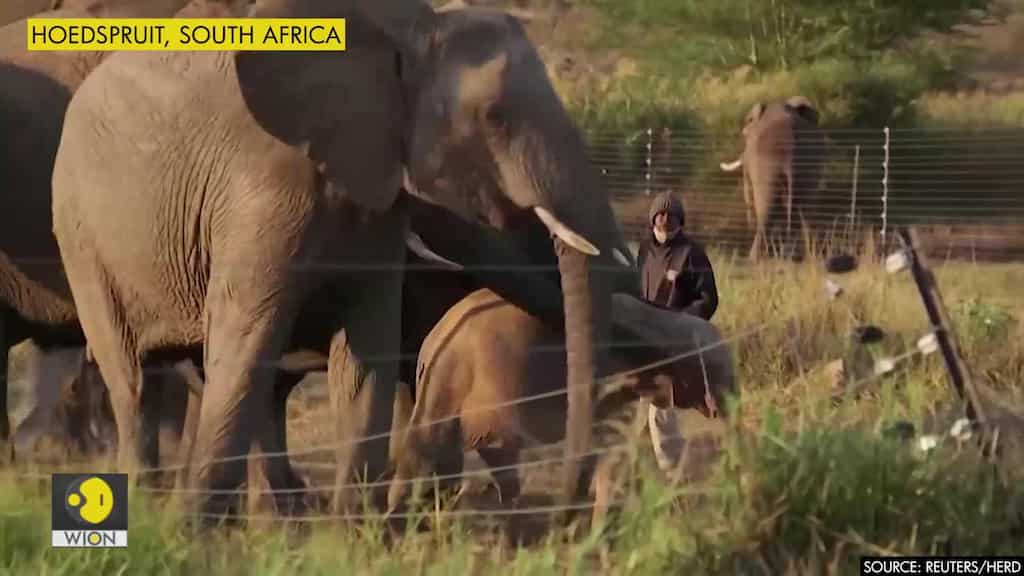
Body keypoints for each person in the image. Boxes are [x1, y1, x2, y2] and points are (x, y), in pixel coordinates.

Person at [636, 191, 719, 479]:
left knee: (662, 404)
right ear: (652, 219)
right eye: (660, 214)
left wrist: (684, 321)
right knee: (640, 401)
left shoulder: (692, 253)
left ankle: (675, 473)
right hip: (644, 336)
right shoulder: (644, 251)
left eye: (671, 216)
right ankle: (644, 466)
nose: (665, 220)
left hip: (677, 340)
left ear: (680, 221)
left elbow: (709, 299)